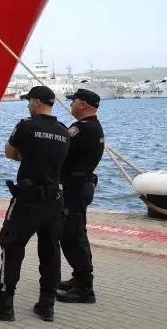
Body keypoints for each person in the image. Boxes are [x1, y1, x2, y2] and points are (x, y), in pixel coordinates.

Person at [0, 85, 70, 322]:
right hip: (55, 201)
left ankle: (4, 304)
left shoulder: (26, 125)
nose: (28, 104)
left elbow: (9, 152)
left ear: (37, 102)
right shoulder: (64, 131)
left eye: (29, 100)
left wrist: (23, 154)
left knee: (11, 246)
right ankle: (47, 305)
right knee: (50, 252)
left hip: (28, 200)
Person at [56, 88, 105, 304]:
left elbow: (59, 148)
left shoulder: (80, 129)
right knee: (75, 233)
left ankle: (85, 288)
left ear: (83, 104)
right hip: (81, 185)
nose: (71, 104)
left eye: (74, 101)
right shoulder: (95, 127)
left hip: (74, 189)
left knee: (72, 236)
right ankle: (79, 278)